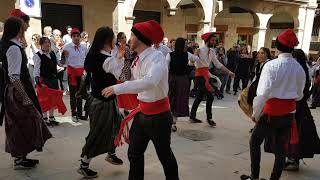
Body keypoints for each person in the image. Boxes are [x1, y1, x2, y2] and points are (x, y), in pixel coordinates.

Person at [101, 20, 179, 180]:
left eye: (132, 35)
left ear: (140, 38)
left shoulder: (157, 57)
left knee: (165, 156)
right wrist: (119, 59)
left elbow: (149, 82)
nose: (129, 39)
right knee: (134, 153)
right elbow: (124, 77)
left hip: (159, 117)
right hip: (142, 114)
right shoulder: (136, 59)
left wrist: (118, 89)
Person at [241, 29, 306, 180]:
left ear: (277, 46)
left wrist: (256, 114)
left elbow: (262, 94)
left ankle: (254, 176)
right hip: (289, 114)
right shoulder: (299, 68)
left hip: (271, 113)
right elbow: (300, 95)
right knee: (281, 148)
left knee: (255, 142)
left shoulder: (271, 66)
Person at [0, 16, 52, 169]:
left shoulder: (11, 45)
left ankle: (20, 157)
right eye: (23, 28)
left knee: (20, 124)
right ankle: (19, 157)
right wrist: (24, 97)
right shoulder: (14, 48)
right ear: (18, 30)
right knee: (25, 123)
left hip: (13, 91)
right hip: (17, 91)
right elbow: (14, 77)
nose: (25, 30)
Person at [77, 27, 123, 179]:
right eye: (114, 37)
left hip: (98, 99)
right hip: (103, 102)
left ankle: (111, 153)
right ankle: (84, 165)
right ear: (107, 41)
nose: (116, 40)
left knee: (115, 125)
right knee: (97, 133)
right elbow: (123, 75)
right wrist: (122, 58)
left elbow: (87, 75)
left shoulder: (93, 54)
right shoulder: (107, 59)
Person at [281, 49, 320, 171]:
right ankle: (291, 158)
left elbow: (301, 90)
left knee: (296, 132)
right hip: (299, 105)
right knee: (294, 133)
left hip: (297, 107)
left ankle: (293, 160)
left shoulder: (300, 70)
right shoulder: (303, 69)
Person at [190, 32, 234, 127]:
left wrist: (229, 72)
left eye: (215, 40)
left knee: (199, 97)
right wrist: (194, 56)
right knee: (210, 96)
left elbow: (218, 64)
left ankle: (192, 116)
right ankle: (209, 118)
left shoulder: (212, 51)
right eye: (212, 40)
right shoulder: (199, 50)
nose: (214, 42)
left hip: (206, 75)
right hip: (200, 76)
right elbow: (191, 63)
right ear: (207, 40)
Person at [166, 37, 200, 132]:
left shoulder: (170, 55)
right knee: (179, 100)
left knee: (171, 99)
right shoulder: (187, 54)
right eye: (185, 44)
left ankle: (170, 121)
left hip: (172, 79)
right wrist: (196, 52)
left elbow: (166, 67)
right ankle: (173, 122)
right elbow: (196, 58)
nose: (186, 45)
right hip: (182, 80)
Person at [33, 37, 64, 126]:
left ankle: (51, 117)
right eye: (45, 42)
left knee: (53, 99)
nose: (47, 44)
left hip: (53, 79)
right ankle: (44, 118)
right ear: (41, 44)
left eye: (48, 42)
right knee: (44, 100)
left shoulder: (53, 53)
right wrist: (37, 80)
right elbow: (36, 69)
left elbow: (60, 63)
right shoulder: (37, 55)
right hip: (44, 80)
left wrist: (64, 56)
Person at [61, 28, 88, 121]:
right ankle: (74, 114)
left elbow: (87, 59)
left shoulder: (84, 47)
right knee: (73, 95)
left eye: (78, 36)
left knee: (80, 94)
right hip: (71, 73)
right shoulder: (67, 47)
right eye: (74, 36)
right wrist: (63, 55)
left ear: (80, 37)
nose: (76, 38)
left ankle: (80, 114)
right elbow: (62, 62)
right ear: (71, 37)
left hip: (81, 73)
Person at [114, 32, 138, 114]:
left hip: (128, 66)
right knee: (122, 83)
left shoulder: (127, 46)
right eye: (122, 37)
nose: (125, 39)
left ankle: (126, 105)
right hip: (122, 66)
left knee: (127, 83)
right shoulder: (117, 48)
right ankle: (123, 105)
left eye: (125, 37)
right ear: (119, 39)